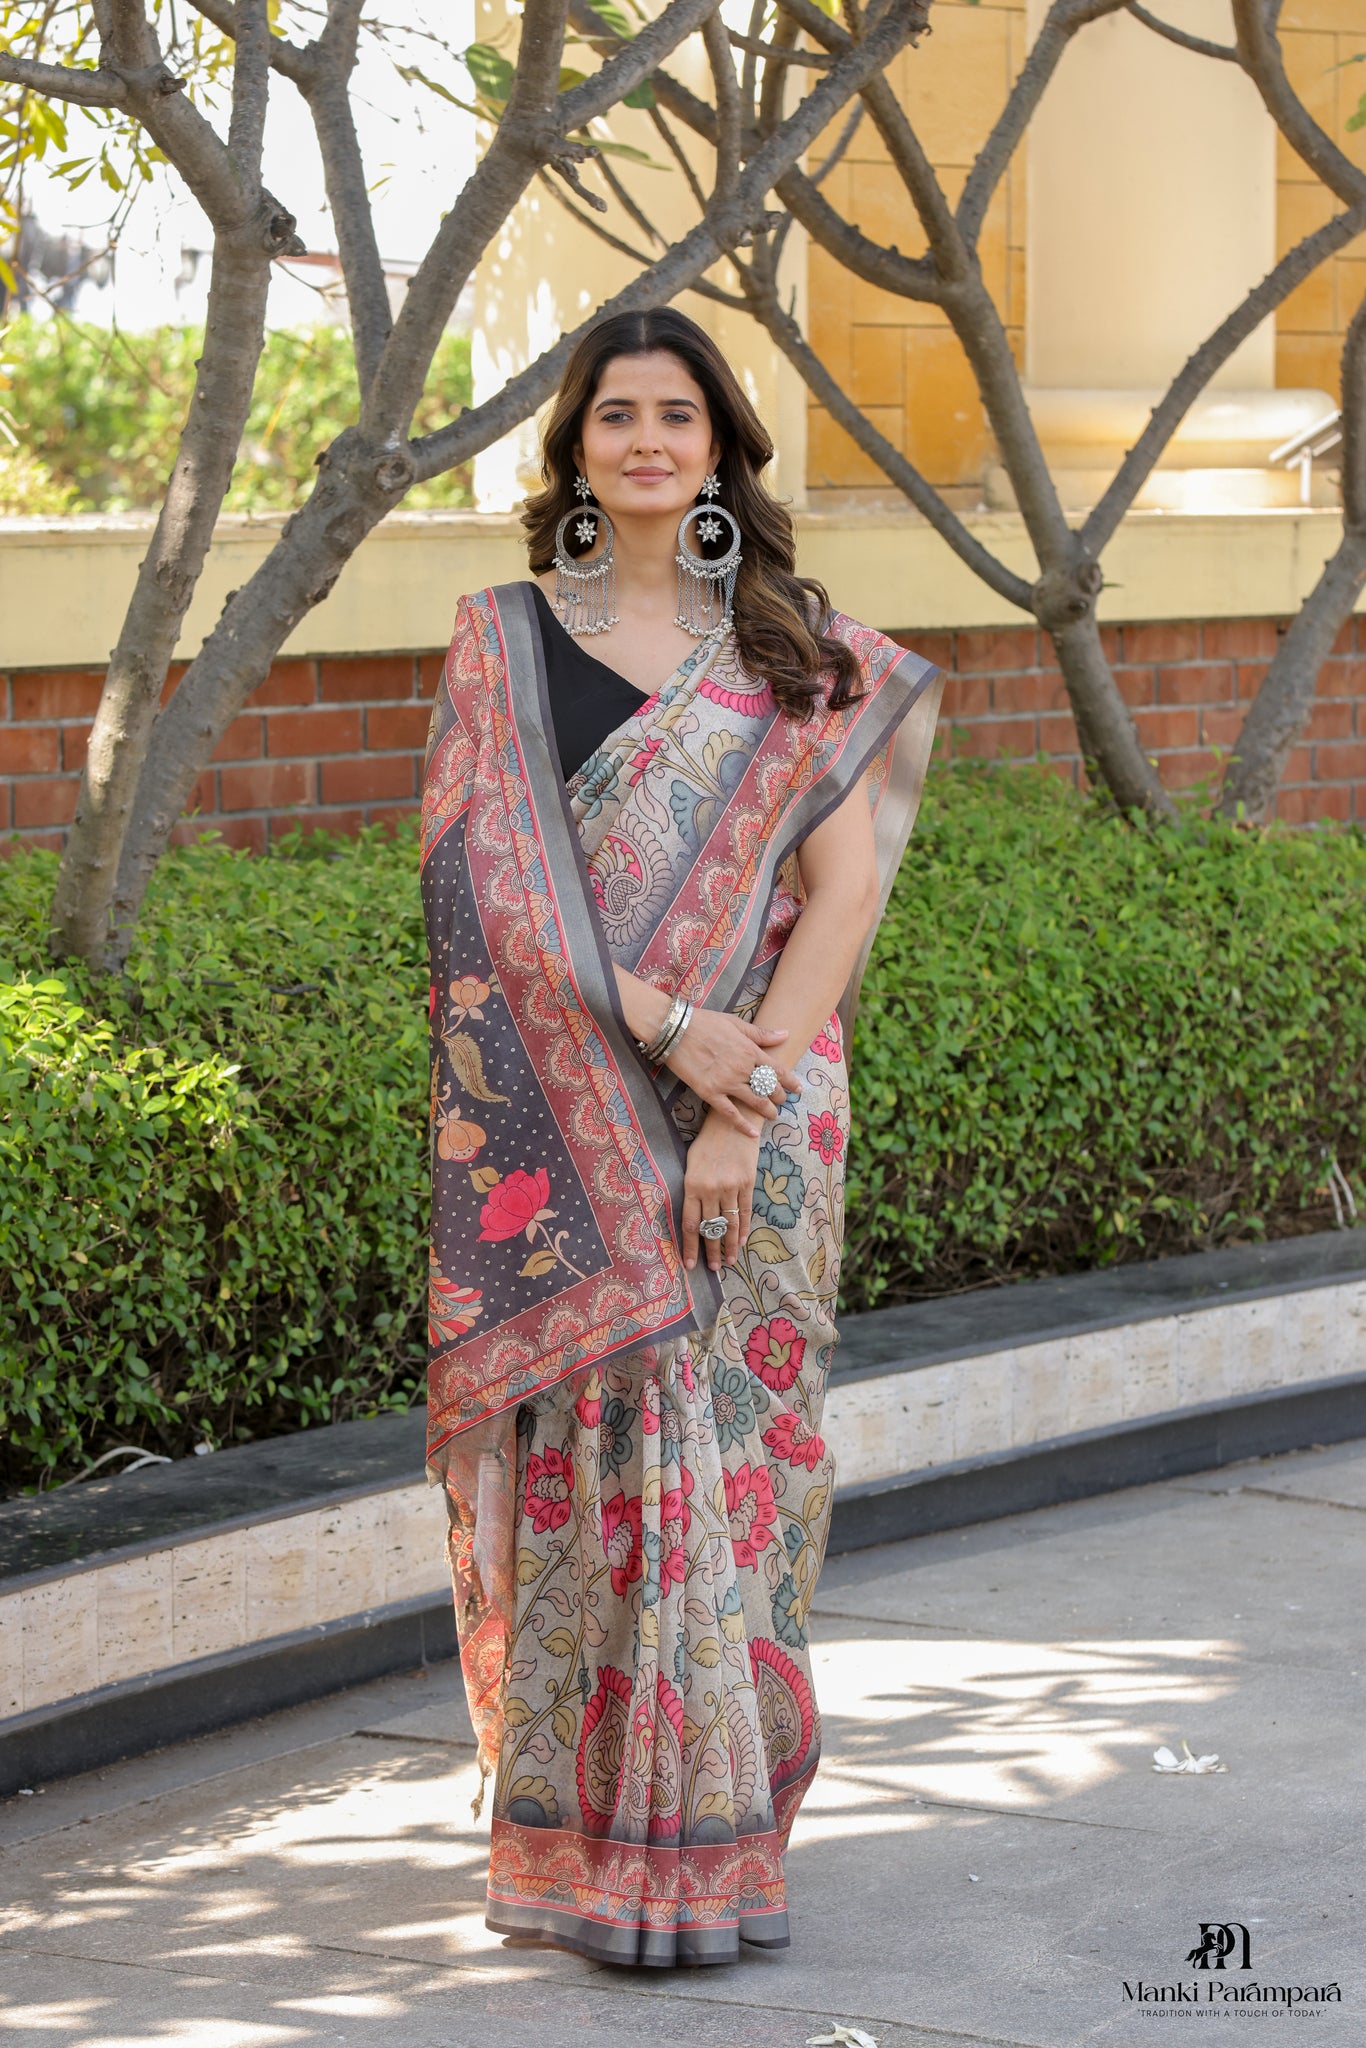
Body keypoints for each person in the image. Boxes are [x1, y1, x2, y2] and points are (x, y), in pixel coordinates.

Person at [420, 306, 941, 1968]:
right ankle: (585, 1840)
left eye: (676, 416)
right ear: (574, 447)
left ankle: (724, 1835)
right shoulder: (502, 641)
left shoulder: (799, 649)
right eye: (616, 415)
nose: (646, 442)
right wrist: (661, 1031)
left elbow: (842, 893)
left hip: (762, 1110)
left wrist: (738, 1099)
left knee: (744, 1461)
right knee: (581, 1468)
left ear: (720, 448)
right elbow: (484, 901)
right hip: (569, 1108)